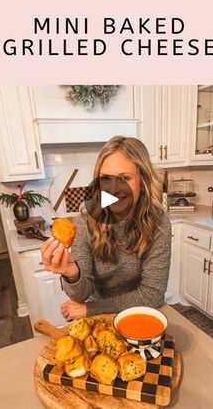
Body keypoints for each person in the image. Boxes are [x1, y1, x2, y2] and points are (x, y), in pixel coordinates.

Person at [41, 136, 171, 321]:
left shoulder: (159, 224)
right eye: (105, 179)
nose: (113, 189)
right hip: (101, 317)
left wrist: (90, 309)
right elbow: (79, 296)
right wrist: (73, 275)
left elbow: (152, 294)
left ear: (142, 181)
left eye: (125, 178)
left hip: (141, 311)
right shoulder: (85, 223)